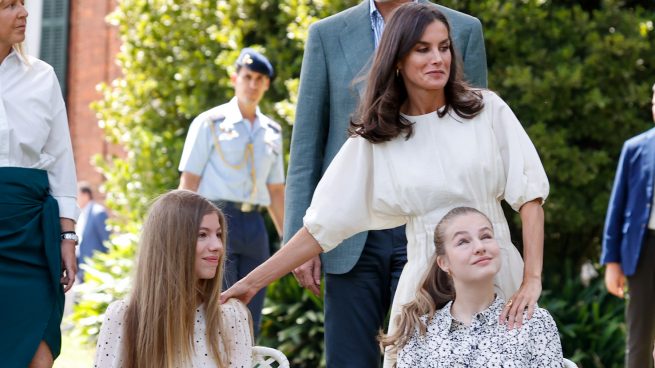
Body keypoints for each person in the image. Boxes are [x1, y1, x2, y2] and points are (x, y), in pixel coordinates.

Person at [224, 3, 548, 367]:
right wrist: (251, 282)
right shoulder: (379, 138)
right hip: (425, 286)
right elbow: (321, 226)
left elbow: (530, 196)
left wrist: (532, 279)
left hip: (496, 273)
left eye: (444, 47)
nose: (437, 58)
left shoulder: (487, 110)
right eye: (422, 49)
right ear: (397, 59)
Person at [285, 0, 487, 365]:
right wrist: (300, 237)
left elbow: (474, 138)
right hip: (349, 235)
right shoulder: (327, 34)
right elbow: (306, 147)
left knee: (429, 356)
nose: (435, 56)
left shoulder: (463, 29)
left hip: (431, 229)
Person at [178, 47, 285, 336]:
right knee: (218, 308)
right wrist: (184, 235)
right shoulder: (209, 123)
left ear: (266, 84)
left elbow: (276, 190)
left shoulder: (272, 131)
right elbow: (189, 183)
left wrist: (288, 241)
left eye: (259, 79)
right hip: (216, 223)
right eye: (247, 77)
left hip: (255, 228)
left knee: (251, 317)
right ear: (234, 78)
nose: (253, 84)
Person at [0, 1, 79, 367]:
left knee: (39, 343)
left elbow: (61, 161)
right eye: (8, 6)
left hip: (32, 234)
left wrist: (67, 236)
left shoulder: (43, 75)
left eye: (22, 3)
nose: (24, 13)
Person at [384, 207, 563, 367]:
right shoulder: (419, 334)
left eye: (486, 236)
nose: (479, 247)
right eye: (463, 241)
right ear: (444, 263)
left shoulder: (534, 323)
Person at [94, 190, 253, 368]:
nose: (218, 246)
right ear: (171, 243)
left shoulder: (230, 316)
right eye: (202, 235)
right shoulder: (124, 316)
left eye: (218, 234)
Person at [601, 82, 655, 368]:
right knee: (639, 337)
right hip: (643, 249)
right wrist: (612, 262)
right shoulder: (635, 148)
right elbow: (617, 207)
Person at [76, 181, 110, 281]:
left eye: (77, 195)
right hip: (82, 267)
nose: (76, 199)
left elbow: (106, 241)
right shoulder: (82, 214)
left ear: (86, 195)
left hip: (95, 269)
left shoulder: (98, 213)